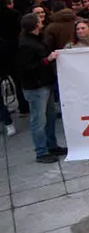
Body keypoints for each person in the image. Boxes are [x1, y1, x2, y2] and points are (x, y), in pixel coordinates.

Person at [17, 12, 64, 163]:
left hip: (45, 83)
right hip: (36, 87)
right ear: (35, 24)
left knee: (50, 117)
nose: (42, 21)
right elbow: (26, 67)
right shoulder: (26, 44)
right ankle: (41, 151)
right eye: (39, 20)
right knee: (39, 120)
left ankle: (52, 145)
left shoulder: (37, 38)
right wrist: (46, 60)